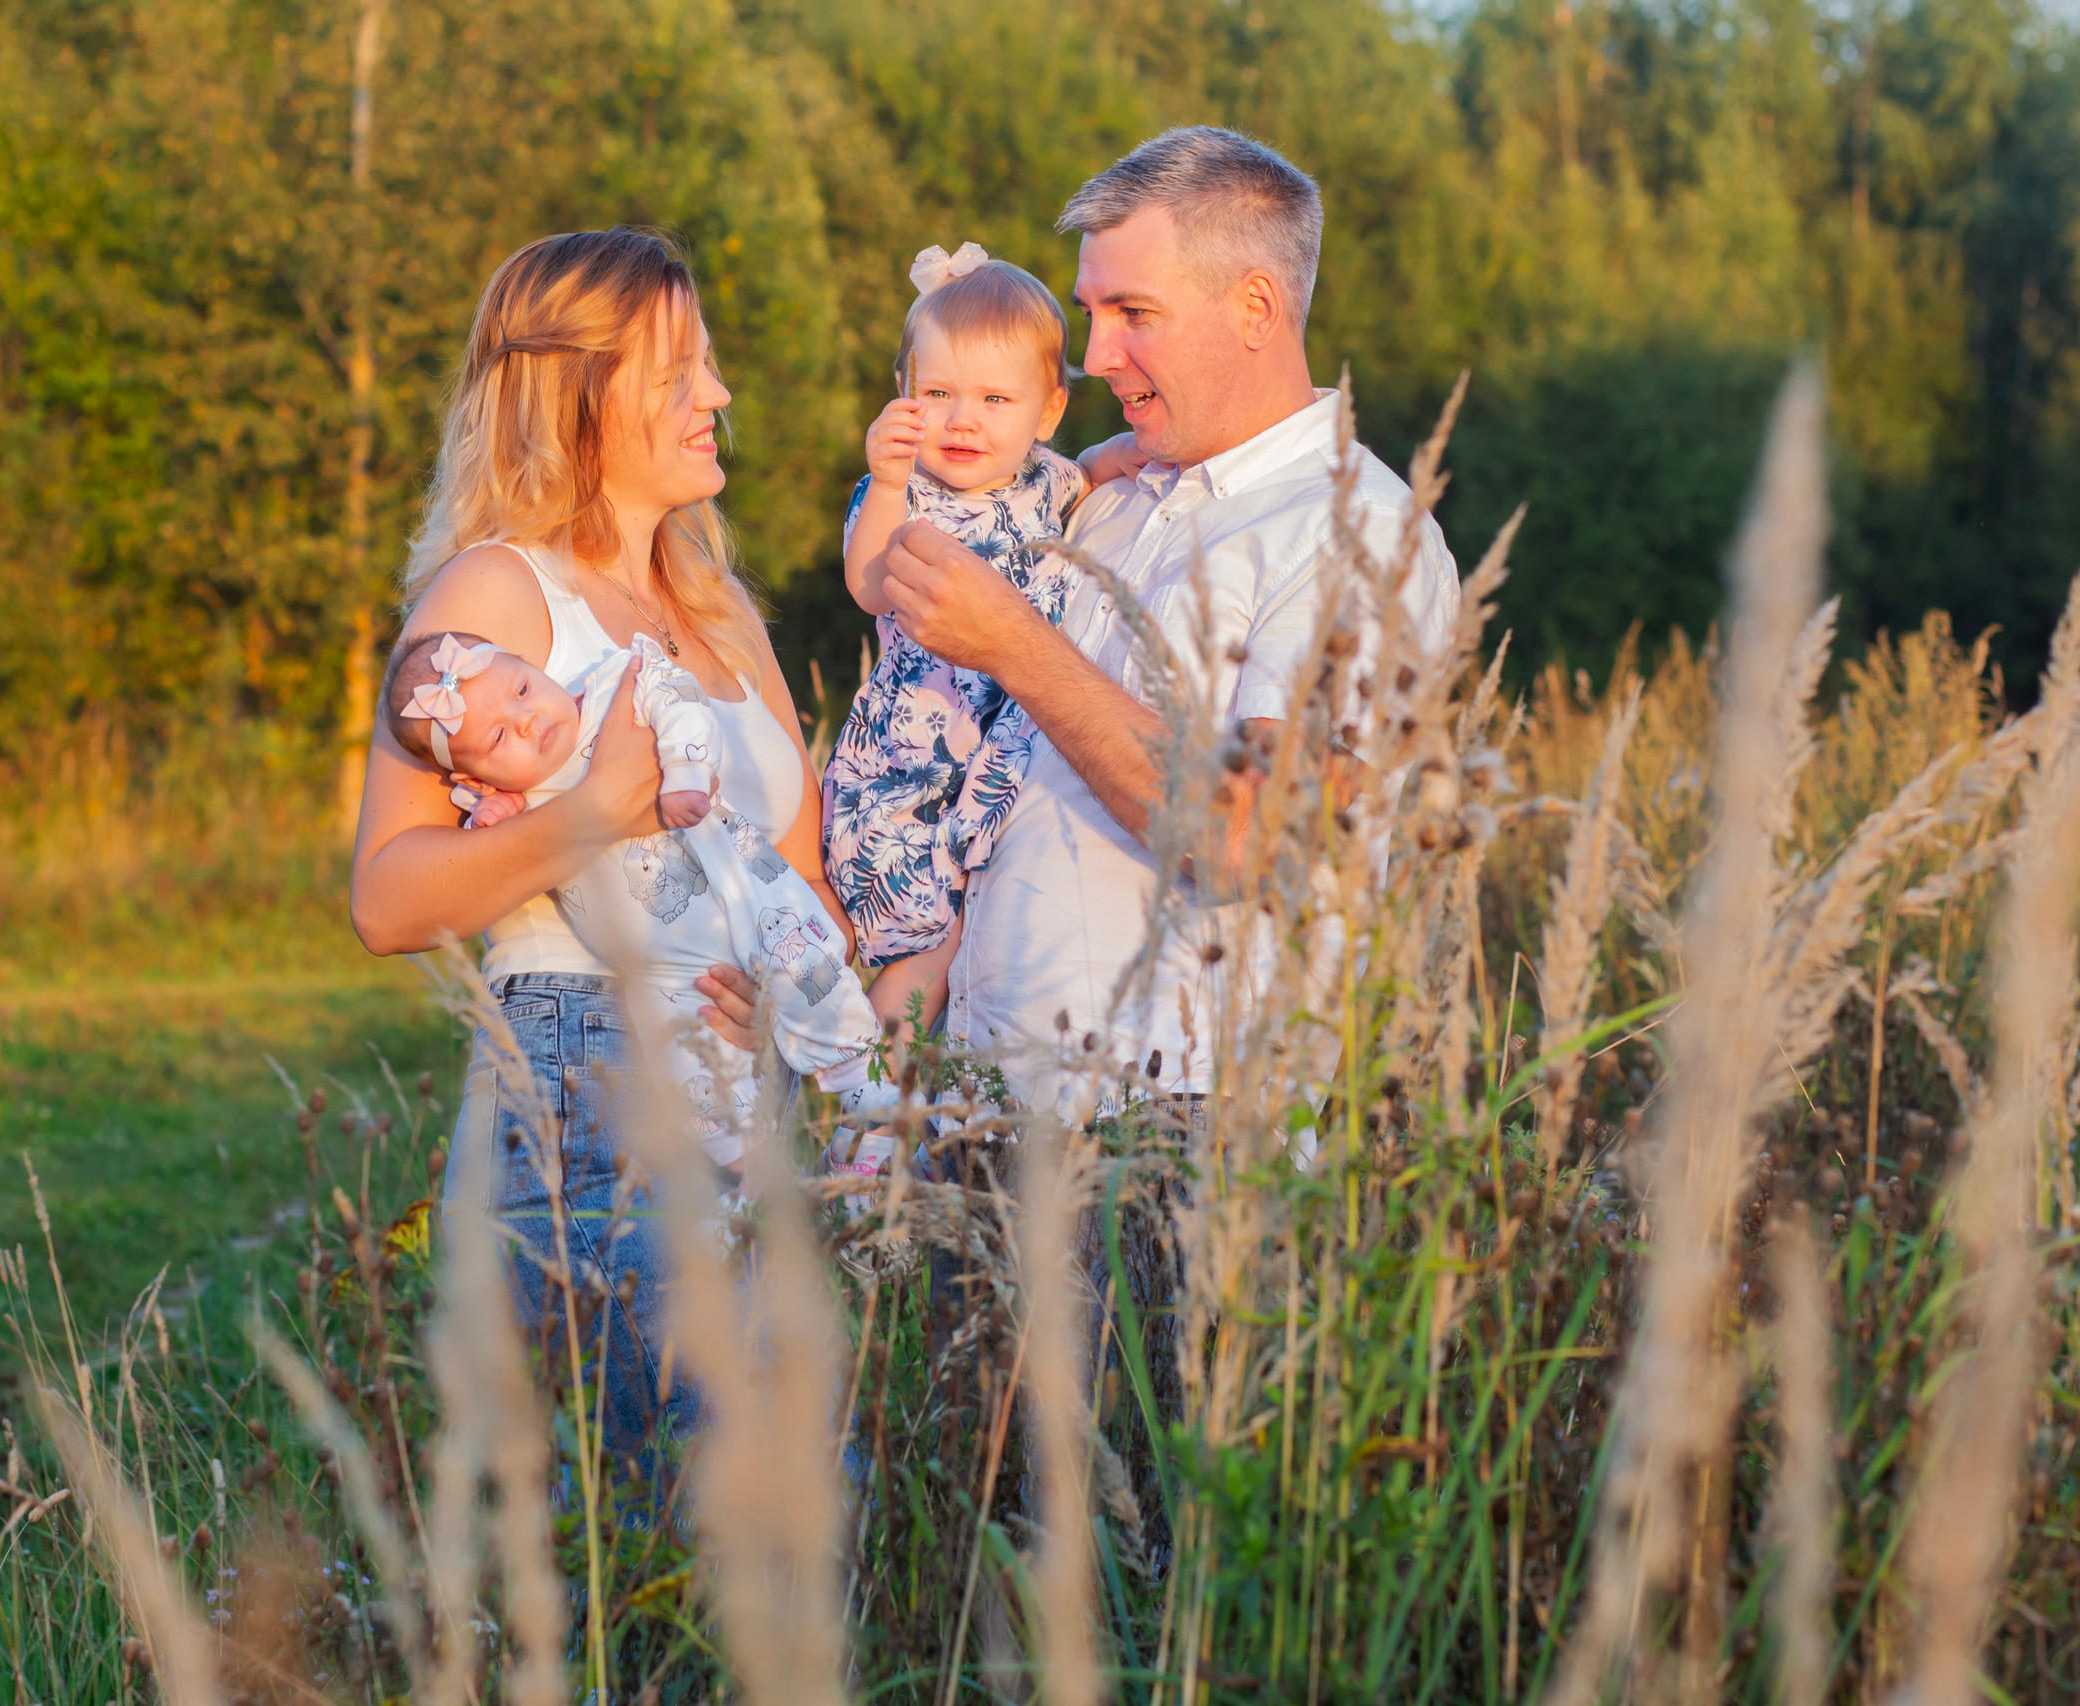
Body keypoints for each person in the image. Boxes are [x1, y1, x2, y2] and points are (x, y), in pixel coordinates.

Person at [347, 228, 836, 1451]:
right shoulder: (495, 597)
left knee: (784, 1517)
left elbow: (804, 880)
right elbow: (387, 897)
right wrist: (589, 812)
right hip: (587, 1088)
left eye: (708, 366)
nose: (716, 396)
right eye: (679, 372)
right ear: (579, 394)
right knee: (654, 1535)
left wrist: (783, 1001)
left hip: (753, 1107)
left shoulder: (725, 619)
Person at [870, 126, 1462, 1114]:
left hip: (1173, 1145)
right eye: (1091, 313)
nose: (1097, 355)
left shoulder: (1357, 533)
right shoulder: (1107, 496)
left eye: (1132, 312)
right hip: (979, 1119)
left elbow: (1252, 836)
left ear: (1255, 308)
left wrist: (1014, 641)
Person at [378, 626, 896, 1171]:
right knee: (691, 1070)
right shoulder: (515, 800)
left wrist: (686, 770)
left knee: (812, 978)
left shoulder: (609, 688)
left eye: (523, 690)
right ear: (472, 774)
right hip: (663, 972)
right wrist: (489, 823)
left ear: (531, 666)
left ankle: (876, 1108)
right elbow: (488, 864)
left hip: (744, 889)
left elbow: (677, 700)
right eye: (499, 738)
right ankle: (751, 1177)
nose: (525, 720)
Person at [822, 244, 1148, 1038]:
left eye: (996, 399)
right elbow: (868, 586)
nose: (963, 418)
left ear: (1045, 414)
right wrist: (891, 481)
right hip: (915, 768)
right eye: (936, 393)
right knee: (924, 954)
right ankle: (866, 1110)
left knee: (978, 955)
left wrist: (1161, 445)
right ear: (902, 395)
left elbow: (1109, 462)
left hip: (1002, 766)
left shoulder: (1049, 477)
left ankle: (908, 1106)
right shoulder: (901, 495)